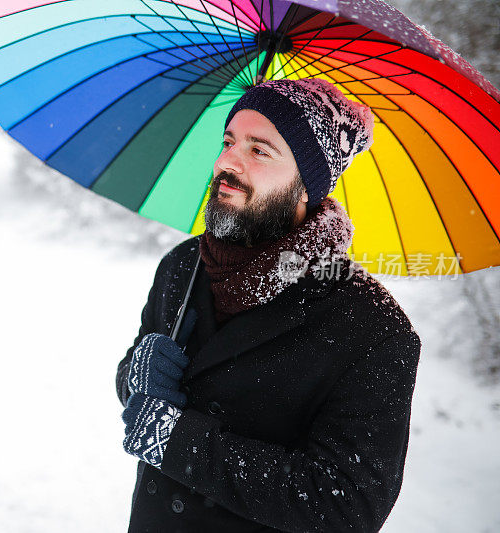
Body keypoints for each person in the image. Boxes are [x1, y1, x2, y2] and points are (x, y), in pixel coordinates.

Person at [116, 78, 421, 533]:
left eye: (259, 150)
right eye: (228, 141)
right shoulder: (183, 266)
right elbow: (140, 387)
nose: (226, 162)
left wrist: (179, 442)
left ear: (307, 186)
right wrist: (133, 376)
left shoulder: (372, 328)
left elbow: (346, 506)